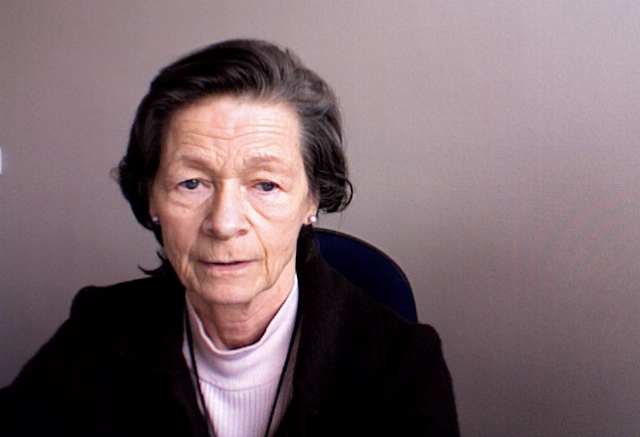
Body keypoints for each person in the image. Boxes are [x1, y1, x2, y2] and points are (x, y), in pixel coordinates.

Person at [0, 39, 459, 436]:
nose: (223, 223)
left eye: (265, 185)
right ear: (150, 197)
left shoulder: (403, 367)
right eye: (191, 183)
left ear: (312, 200)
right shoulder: (97, 334)